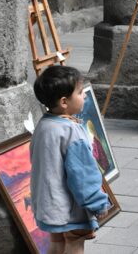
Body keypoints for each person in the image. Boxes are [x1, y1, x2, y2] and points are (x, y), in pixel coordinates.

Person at [31, 66, 109, 254]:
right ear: (64, 102)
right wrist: (97, 203)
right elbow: (83, 175)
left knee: (56, 244)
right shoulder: (71, 132)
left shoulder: (43, 125)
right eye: (81, 93)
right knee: (75, 244)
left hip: (48, 205)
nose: (85, 97)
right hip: (69, 207)